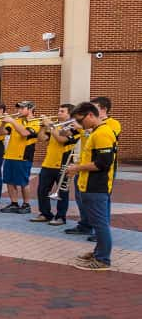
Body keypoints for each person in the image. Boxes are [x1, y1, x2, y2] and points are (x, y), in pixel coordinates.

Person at [66, 102, 116, 271]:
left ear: (90, 115)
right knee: (97, 222)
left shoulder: (102, 133)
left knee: (100, 224)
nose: (80, 125)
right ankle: (98, 252)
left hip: (96, 186)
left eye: (81, 120)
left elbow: (103, 163)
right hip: (89, 185)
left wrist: (76, 168)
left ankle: (103, 259)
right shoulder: (95, 132)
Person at [30, 104, 80, 225]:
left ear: (70, 115)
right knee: (42, 190)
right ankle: (45, 214)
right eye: (58, 110)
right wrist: (42, 127)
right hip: (48, 163)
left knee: (62, 192)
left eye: (62, 111)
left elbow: (61, 140)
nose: (58, 113)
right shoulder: (55, 126)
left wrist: (51, 126)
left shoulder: (75, 129)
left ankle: (60, 217)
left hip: (64, 164)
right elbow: (41, 138)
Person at [0, 101, 39, 214]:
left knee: (23, 182)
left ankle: (26, 204)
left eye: (21, 108)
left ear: (30, 109)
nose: (18, 111)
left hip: (23, 157)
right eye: (18, 108)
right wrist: (2, 123)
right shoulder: (16, 121)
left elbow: (25, 133)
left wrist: (11, 121)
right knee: (9, 181)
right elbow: (2, 132)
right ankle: (14, 203)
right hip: (10, 155)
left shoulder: (36, 122)